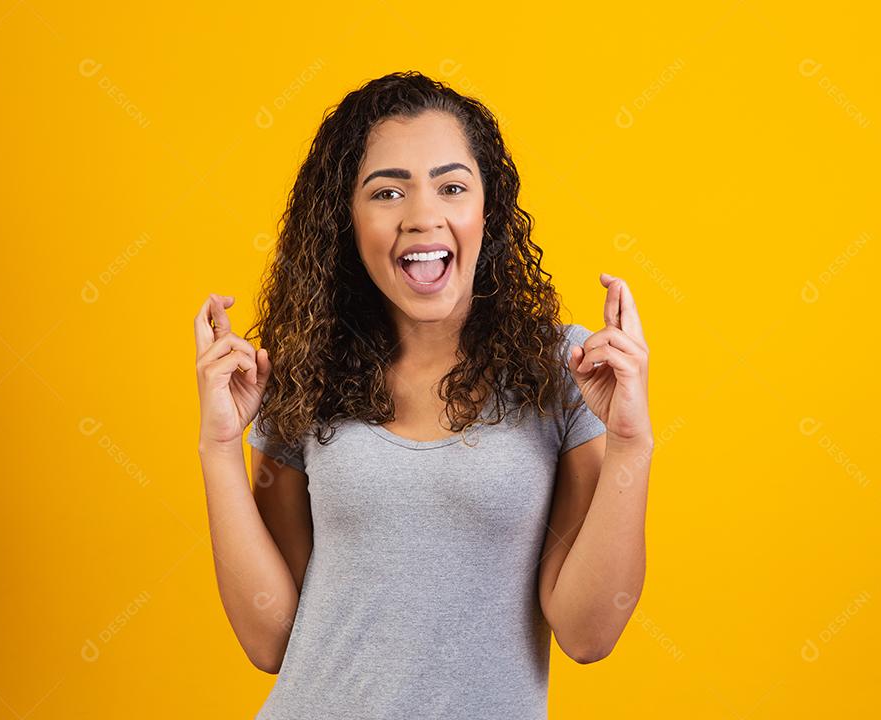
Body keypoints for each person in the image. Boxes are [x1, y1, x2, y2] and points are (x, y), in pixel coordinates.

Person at [195, 70, 653, 719]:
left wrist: (631, 443)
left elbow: (587, 633)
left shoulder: (564, 369)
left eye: (452, 186)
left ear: (487, 209)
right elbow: (269, 641)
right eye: (387, 192)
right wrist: (219, 445)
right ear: (346, 220)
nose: (422, 217)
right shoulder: (307, 371)